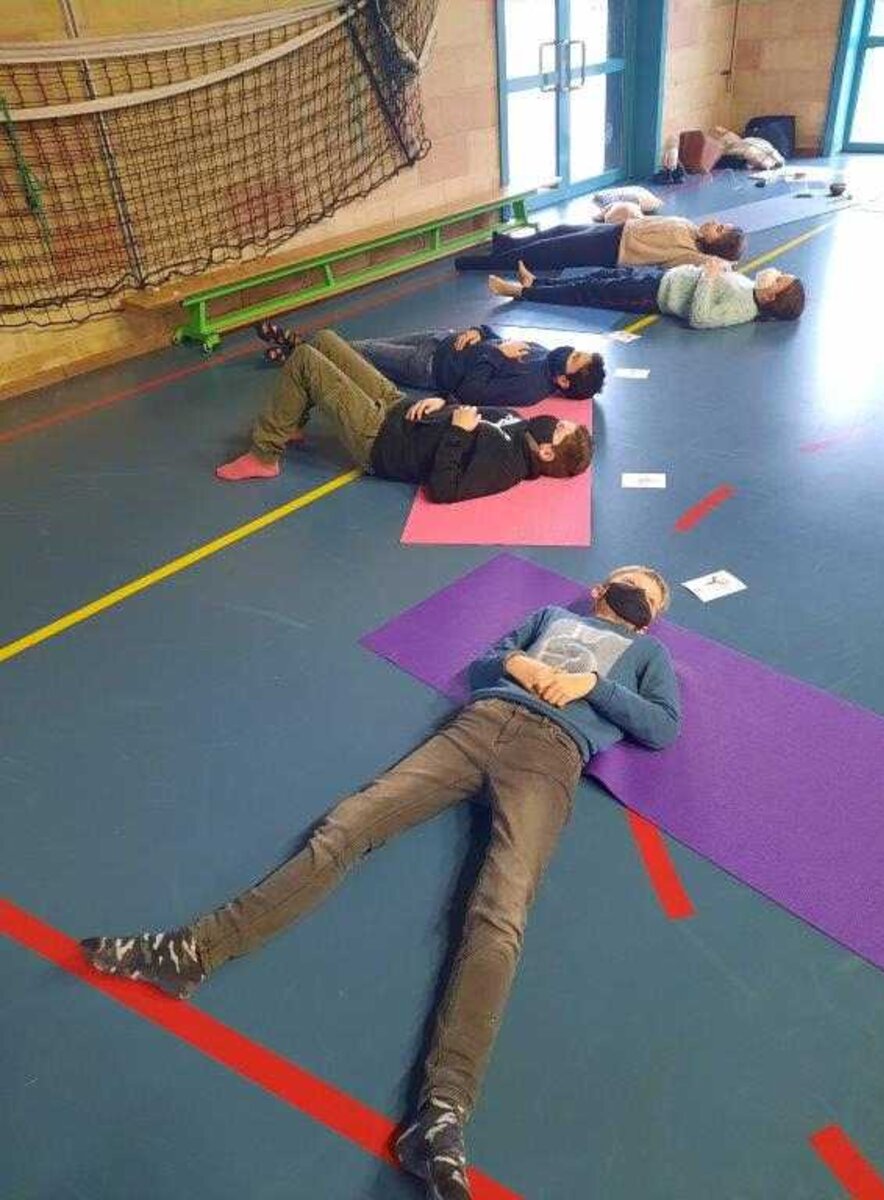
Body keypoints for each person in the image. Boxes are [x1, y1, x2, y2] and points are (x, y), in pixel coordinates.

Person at [79, 564, 681, 1200]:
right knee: (346, 826)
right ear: (599, 590)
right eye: (629, 580)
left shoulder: (649, 655)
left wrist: (592, 684)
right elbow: (484, 663)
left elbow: (663, 726)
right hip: (479, 725)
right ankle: (192, 951)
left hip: (552, 755)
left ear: (651, 619)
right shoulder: (552, 619)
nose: (636, 591)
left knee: (501, 913)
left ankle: (441, 1115)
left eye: (649, 594)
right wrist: (518, 666)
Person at [215, 329, 592, 500]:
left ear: (546, 452)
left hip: (382, 440)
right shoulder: (518, 422)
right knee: (326, 340)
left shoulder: (505, 467)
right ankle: (291, 421)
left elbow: (445, 489)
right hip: (399, 406)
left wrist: (459, 433)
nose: (555, 420)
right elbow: (466, 403)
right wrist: (442, 402)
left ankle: (264, 455)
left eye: (559, 428)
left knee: (304, 361)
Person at [255, 320, 605, 406]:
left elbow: (471, 392)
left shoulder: (529, 387)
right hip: (439, 340)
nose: (570, 350)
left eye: (575, 358)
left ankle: (296, 347)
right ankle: (298, 348)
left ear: (564, 381)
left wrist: (493, 353)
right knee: (362, 346)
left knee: (358, 354)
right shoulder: (545, 355)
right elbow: (496, 337)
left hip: (429, 367)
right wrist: (479, 332)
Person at [488, 258, 806, 329]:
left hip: (652, 295)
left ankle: (520, 293)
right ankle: (536, 283)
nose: (775, 274)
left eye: (779, 280)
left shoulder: (743, 310)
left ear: (771, 298)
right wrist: (718, 270)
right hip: (661, 278)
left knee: (587, 291)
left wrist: (709, 278)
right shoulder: (751, 289)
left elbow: (701, 318)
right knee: (600, 275)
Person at [455, 214, 746, 274]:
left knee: (548, 252)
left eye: (720, 229)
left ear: (717, 244)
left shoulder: (691, 254)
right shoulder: (691, 229)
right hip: (615, 230)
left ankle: (482, 263)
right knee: (561, 229)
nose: (715, 223)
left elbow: (717, 266)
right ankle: (506, 245)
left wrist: (728, 261)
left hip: (612, 249)